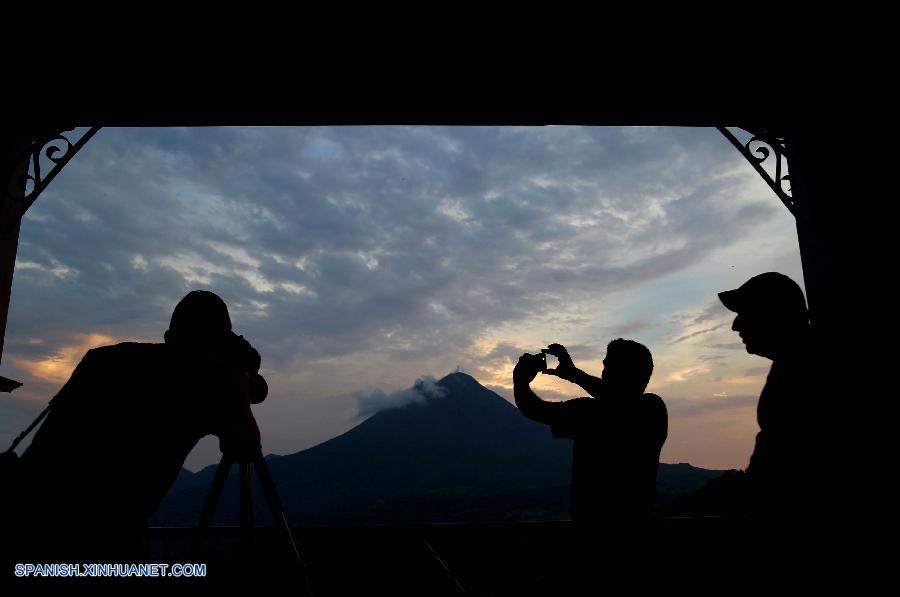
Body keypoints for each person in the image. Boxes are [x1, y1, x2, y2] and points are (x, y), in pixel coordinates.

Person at [13, 290, 267, 560]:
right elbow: (245, 445)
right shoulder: (207, 381)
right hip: (109, 542)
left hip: (26, 522)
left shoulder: (103, 359)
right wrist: (234, 381)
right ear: (220, 342)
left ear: (170, 335)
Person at [513, 340, 667, 526]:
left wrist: (520, 381)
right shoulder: (654, 409)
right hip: (642, 521)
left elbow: (533, 408)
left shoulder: (589, 413)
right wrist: (574, 374)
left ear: (617, 372)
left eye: (607, 366)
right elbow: (621, 398)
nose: (603, 372)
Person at [718, 272, 820, 519]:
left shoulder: (803, 369)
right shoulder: (792, 365)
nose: (736, 325)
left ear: (772, 314)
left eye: (745, 312)